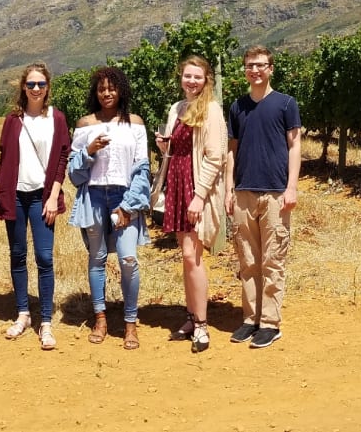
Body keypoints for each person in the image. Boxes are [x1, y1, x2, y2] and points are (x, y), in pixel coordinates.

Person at [67, 65, 150, 349]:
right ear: (95, 92)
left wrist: (128, 206)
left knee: (128, 259)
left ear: (121, 90)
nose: (107, 93)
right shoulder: (84, 125)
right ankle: (100, 318)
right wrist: (89, 152)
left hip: (124, 196)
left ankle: (130, 322)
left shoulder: (135, 124)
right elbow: (74, 175)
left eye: (112, 87)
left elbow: (142, 170)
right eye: (101, 88)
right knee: (97, 258)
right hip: (94, 195)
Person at [226, 46, 302, 349]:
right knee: (248, 260)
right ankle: (251, 318)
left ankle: (270, 323)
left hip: (275, 193)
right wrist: (230, 189)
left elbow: (294, 146)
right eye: (249, 66)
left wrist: (291, 187)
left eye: (259, 65)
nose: (254, 70)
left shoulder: (285, 104)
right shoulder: (237, 107)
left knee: (273, 259)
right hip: (244, 192)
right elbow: (232, 150)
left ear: (270, 68)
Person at [0, 63, 71, 350]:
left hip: (42, 196)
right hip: (15, 195)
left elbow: (63, 156)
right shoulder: (13, 120)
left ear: (48, 87)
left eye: (40, 84)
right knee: (17, 253)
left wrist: (54, 195)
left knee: (44, 256)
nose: (36, 89)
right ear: (23, 88)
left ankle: (46, 321)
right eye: (31, 84)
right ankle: (23, 313)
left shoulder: (57, 118)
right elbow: (3, 157)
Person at [155, 54, 229, 353]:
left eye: (198, 76)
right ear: (181, 77)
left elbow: (216, 156)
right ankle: (191, 316)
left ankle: (201, 325)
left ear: (206, 79)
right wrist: (164, 145)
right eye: (188, 76)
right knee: (186, 256)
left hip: (195, 188)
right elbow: (175, 151)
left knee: (192, 256)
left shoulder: (211, 109)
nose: (192, 81)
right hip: (177, 184)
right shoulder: (178, 108)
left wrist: (199, 197)